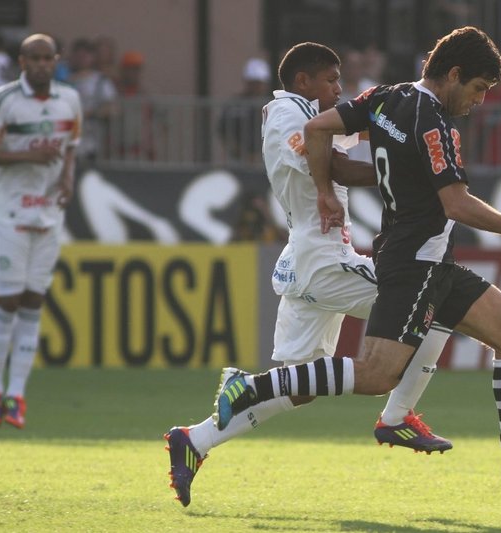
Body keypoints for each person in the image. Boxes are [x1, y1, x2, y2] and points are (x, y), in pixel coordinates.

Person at [208, 27, 501, 501]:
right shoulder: (435, 125)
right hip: (415, 264)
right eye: (478, 88)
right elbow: (457, 205)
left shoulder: (386, 98)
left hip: (432, 262)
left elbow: (318, 129)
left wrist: (325, 191)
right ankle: (254, 387)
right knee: (375, 375)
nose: (480, 101)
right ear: (454, 74)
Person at [164, 42, 453, 507]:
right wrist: (412, 177)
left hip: (309, 258)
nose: (339, 89)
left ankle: (195, 439)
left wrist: (404, 119)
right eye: (331, 80)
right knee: (436, 304)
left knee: (298, 386)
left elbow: (368, 134)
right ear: (303, 81)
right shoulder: (287, 114)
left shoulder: (308, 113)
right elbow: (335, 164)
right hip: (323, 261)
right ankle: (397, 416)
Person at [0, 33, 81, 429]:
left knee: (34, 301)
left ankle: (16, 395)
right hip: (10, 211)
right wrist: (27, 154)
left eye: (47, 58)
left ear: (56, 60)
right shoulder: (2, 99)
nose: (41, 64)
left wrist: (67, 178)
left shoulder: (70, 99)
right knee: (8, 300)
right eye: (34, 58)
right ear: (22, 62)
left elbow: (71, 146)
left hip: (48, 213)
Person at [68, 38, 117, 163]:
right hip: (68, 140)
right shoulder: (66, 80)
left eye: (85, 56)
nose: (81, 59)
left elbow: (111, 107)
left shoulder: (101, 81)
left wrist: (91, 113)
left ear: (92, 57)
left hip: (92, 141)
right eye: (78, 56)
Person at [218, 57, 272, 165]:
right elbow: (223, 130)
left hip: (266, 159)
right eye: (253, 82)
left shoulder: (272, 104)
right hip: (238, 160)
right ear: (246, 82)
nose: (256, 87)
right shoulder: (234, 103)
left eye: (259, 83)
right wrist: (242, 154)